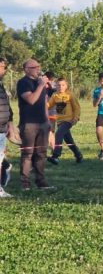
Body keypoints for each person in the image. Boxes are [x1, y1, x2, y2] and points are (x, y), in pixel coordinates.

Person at [17, 59, 54, 190]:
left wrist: (47, 120)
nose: (38, 69)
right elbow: (31, 100)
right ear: (26, 69)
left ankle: (41, 182)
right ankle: (25, 184)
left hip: (42, 122)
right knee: (27, 154)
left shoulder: (40, 82)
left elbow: (44, 102)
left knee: (41, 153)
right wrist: (40, 86)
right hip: (29, 124)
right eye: (35, 67)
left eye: (39, 66)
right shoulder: (23, 83)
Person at [46, 78, 83, 165]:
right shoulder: (55, 95)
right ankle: (78, 155)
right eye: (58, 85)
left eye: (63, 85)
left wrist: (76, 118)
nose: (61, 87)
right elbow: (49, 105)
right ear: (56, 86)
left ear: (66, 86)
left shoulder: (70, 95)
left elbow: (77, 107)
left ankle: (56, 156)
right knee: (69, 140)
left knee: (58, 134)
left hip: (69, 120)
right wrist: (42, 105)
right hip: (59, 121)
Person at [0, 58, 15, 197]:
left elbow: (7, 106)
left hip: (2, 128)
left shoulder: (1, 85)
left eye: (3, 67)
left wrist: (10, 123)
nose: (1, 70)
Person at [43, 71, 57, 151]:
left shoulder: (54, 86)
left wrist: (48, 84)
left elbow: (54, 91)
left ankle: (54, 149)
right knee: (49, 132)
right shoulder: (42, 86)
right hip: (43, 112)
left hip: (52, 113)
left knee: (49, 131)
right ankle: (53, 149)